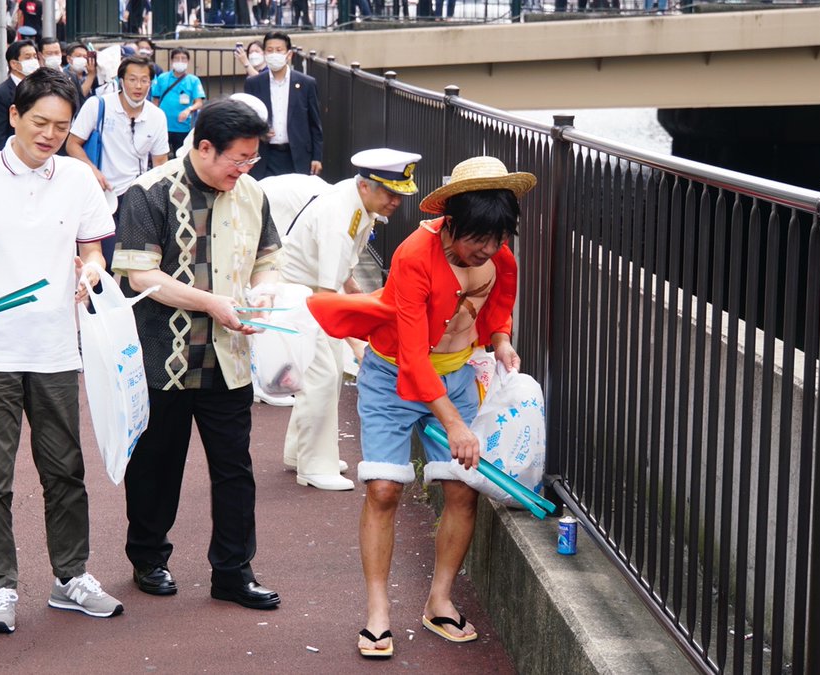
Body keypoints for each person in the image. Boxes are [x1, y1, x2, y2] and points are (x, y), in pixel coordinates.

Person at [307, 156, 534, 658]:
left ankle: (439, 600)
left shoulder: (500, 257)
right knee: (384, 488)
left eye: (498, 239)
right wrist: (456, 426)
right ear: (452, 222)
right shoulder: (415, 254)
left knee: (461, 489)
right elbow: (411, 355)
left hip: (453, 375)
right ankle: (377, 611)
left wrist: (499, 341)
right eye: (479, 239)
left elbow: (499, 310)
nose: (489, 250)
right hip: (391, 373)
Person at [0, 68, 123, 636]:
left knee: (66, 471)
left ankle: (71, 578)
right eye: (40, 122)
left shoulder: (80, 181)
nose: (50, 135)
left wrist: (90, 271)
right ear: (14, 115)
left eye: (61, 126)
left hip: (58, 349)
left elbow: (93, 251)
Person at [110, 99, 283, 611]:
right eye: (239, 159)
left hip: (229, 355)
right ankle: (147, 558)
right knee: (156, 466)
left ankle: (233, 570)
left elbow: (269, 257)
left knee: (235, 469)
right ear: (203, 147)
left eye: (252, 159)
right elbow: (140, 276)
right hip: (163, 357)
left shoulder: (252, 193)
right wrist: (212, 303)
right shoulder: (150, 192)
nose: (246, 168)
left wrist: (266, 291)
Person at [279, 148, 421, 491]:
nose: (395, 202)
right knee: (322, 375)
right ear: (366, 186)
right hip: (301, 294)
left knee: (318, 373)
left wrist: (360, 301)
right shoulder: (340, 218)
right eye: (389, 193)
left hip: (309, 291)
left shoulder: (355, 202)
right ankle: (314, 466)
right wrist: (360, 343)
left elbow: (345, 275)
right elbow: (329, 297)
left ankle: (301, 452)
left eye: (400, 195)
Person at [65, 55, 168, 255]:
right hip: (101, 193)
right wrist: (92, 170)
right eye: (132, 79)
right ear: (121, 80)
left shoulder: (157, 116)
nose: (138, 86)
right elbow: (72, 144)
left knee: (135, 257)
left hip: (137, 197)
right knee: (105, 256)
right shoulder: (98, 106)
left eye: (144, 80)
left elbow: (160, 163)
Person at [244, 32, 322, 179]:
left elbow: (315, 123)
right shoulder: (253, 83)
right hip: (265, 156)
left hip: (297, 156)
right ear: (265, 53)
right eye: (269, 50)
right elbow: (247, 119)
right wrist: (260, 131)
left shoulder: (306, 83)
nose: (274, 54)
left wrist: (316, 157)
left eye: (279, 50)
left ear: (289, 54)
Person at [150, 48, 205, 157]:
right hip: (163, 125)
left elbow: (199, 102)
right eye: (177, 58)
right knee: (160, 154)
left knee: (180, 155)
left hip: (182, 126)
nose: (180, 61)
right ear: (171, 61)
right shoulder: (162, 78)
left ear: (188, 62)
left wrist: (188, 110)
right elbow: (155, 100)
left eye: (183, 59)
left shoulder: (193, 80)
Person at [0, 39, 37, 151]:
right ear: (14, 64)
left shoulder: (39, 89)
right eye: (28, 57)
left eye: (35, 57)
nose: (33, 61)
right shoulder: (0, 94)